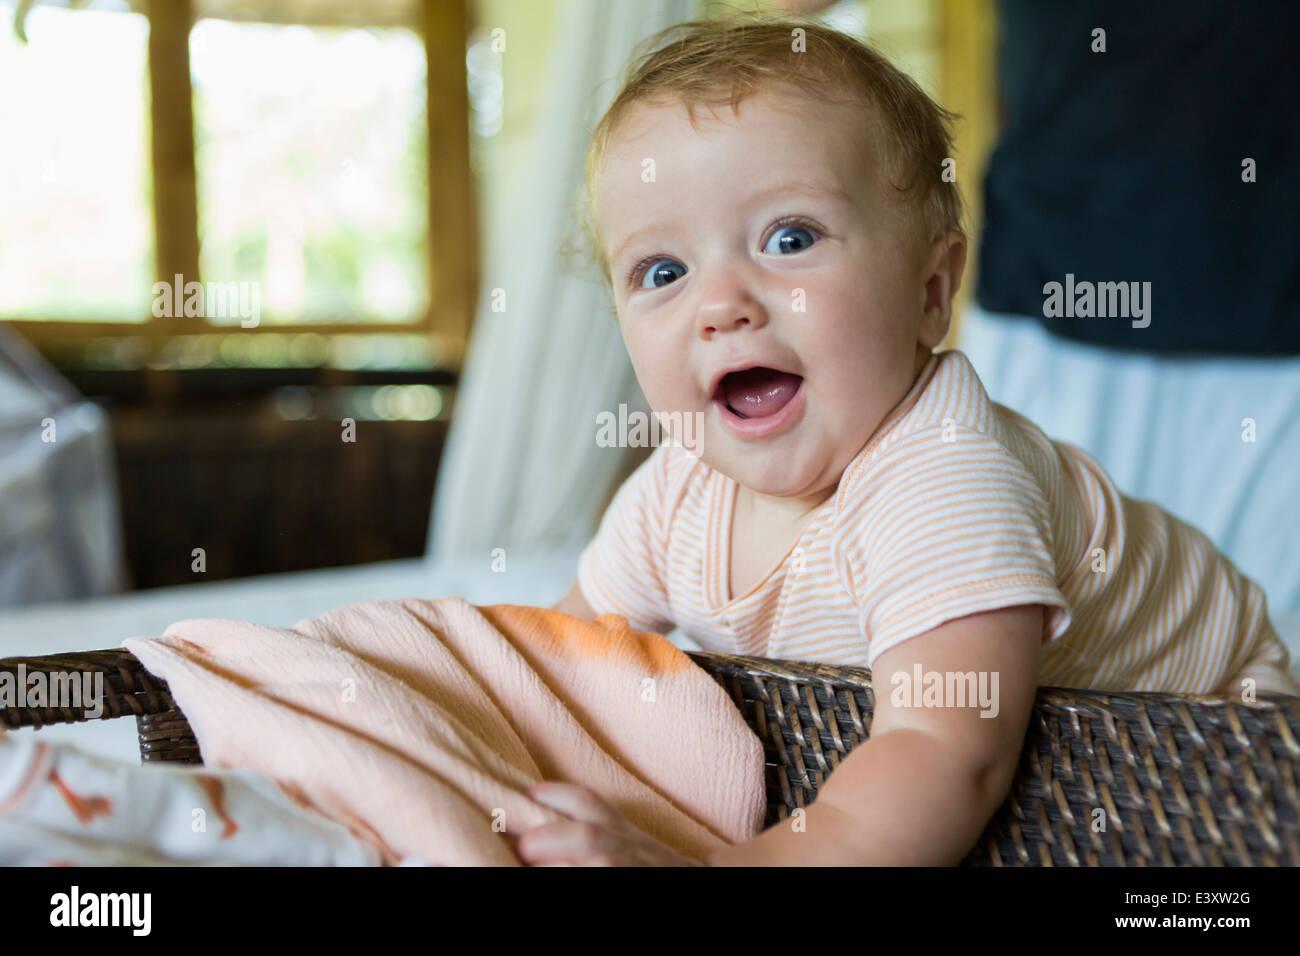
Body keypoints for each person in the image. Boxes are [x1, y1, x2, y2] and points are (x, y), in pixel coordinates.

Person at [517, 14, 1297, 867]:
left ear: (931, 293)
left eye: (790, 238)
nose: (723, 303)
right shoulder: (677, 493)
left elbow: (940, 759)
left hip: (1228, 754)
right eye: (662, 271)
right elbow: (554, 663)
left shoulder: (942, 477)